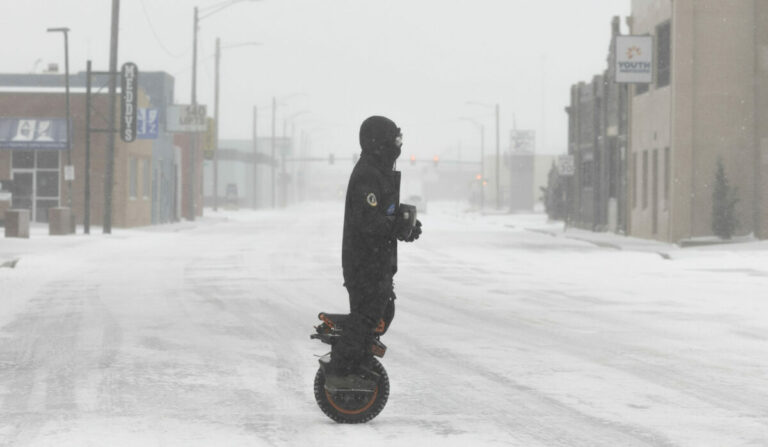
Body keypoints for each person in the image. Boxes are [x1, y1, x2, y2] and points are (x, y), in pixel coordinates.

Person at [323, 115, 422, 390]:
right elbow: (369, 220)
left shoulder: (379, 171)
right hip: (363, 262)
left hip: (376, 261)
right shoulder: (368, 173)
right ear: (378, 142)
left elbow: (385, 214)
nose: (398, 144)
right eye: (394, 138)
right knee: (367, 317)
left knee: (382, 313)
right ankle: (339, 370)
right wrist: (396, 227)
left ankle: (358, 359)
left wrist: (406, 225)